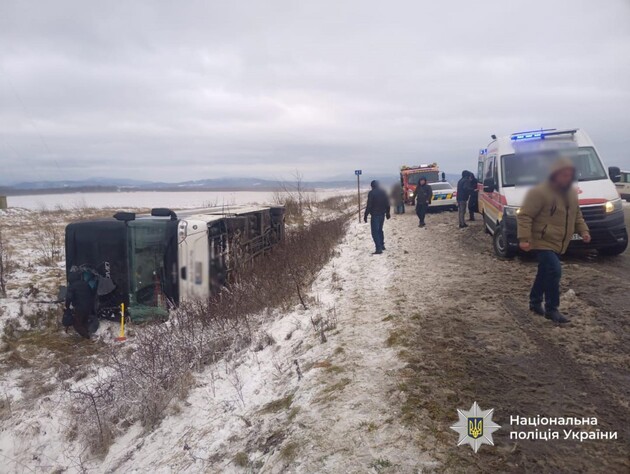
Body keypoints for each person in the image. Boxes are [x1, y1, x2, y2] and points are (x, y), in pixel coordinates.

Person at [517, 157, 591, 324]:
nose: (567, 178)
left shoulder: (571, 193)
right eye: (564, 174)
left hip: (559, 241)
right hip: (541, 240)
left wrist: (584, 231)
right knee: (554, 270)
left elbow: (576, 215)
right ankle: (551, 309)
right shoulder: (539, 192)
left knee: (545, 271)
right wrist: (524, 239)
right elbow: (525, 216)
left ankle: (535, 302)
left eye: (570, 175)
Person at [65, 270, 96, 338]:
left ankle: (87, 337)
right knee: (84, 322)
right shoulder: (85, 284)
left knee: (77, 324)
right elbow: (92, 294)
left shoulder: (72, 286)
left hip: (80, 308)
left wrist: (67, 306)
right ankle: (87, 333)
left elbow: (69, 298)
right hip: (89, 307)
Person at [364, 180, 391, 254]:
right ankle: (382, 245)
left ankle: (378, 248)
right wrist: (388, 213)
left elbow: (369, 205)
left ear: (372, 186)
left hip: (375, 215)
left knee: (375, 232)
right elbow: (387, 203)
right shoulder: (383, 192)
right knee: (380, 230)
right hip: (382, 214)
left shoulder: (371, 193)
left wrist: (365, 215)